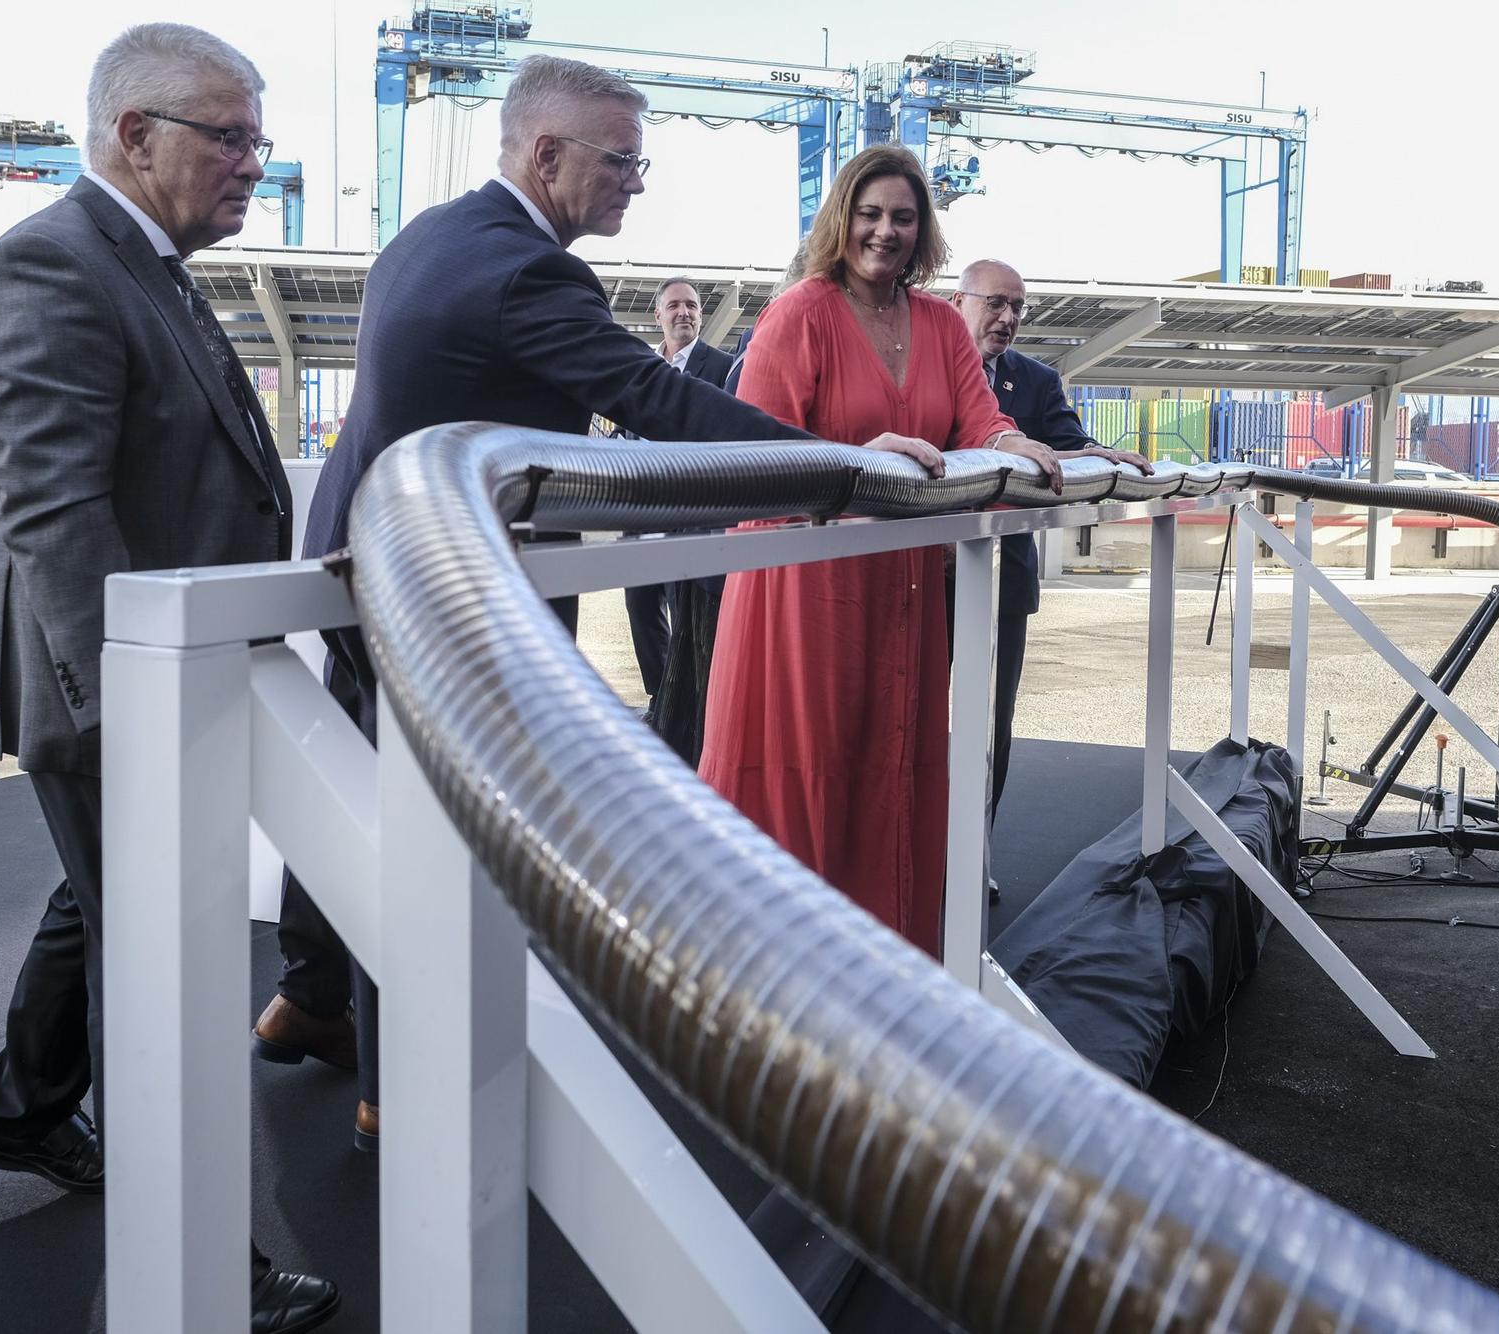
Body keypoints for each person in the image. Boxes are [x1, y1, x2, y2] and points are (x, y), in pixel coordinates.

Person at [272, 56, 934, 1148]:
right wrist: (841, 462)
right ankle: (405, 1091)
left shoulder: (429, 234)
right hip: (435, 587)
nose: (636, 181)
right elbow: (655, 399)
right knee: (432, 839)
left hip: (358, 550)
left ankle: (311, 995)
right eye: (621, 160)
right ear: (545, 154)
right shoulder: (531, 273)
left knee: (357, 792)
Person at [0, 23, 338, 1332]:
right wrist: (143, 728)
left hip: (162, 676)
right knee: (152, 966)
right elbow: (59, 521)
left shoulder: (150, 266)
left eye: (256, 138)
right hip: (115, 693)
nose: (254, 162)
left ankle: (17, 1110)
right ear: (135, 136)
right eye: (229, 137)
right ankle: (199, 1270)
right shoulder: (50, 264)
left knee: (95, 905)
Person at [698, 145, 1064, 957]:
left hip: (902, 594)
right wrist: (863, 456)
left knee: (892, 773)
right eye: (869, 214)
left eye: (902, 217)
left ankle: (885, 988)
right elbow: (759, 460)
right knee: (811, 773)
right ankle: (786, 983)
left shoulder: (939, 323)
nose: (885, 232)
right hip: (805, 592)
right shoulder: (800, 313)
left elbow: (976, 420)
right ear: (842, 219)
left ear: (922, 228)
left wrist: (1018, 443)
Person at [947, 258, 1149, 818]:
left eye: (1018, 306)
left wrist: (1100, 457)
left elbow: (1072, 445)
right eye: (995, 303)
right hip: (925, 581)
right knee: (915, 720)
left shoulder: (1035, 381)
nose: (1008, 317)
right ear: (958, 302)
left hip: (1003, 583)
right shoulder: (925, 371)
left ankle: (974, 855)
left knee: (992, 722)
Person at [619, 275, 732, 724]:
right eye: (675, 306)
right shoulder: (641, 367)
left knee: (685, 613)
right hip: (643, 513)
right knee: (641, 608)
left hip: (692, 516)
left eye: (692, 306)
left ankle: (687, 711)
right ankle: (661, 701)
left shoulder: (720, 367)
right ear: (658, 314)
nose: (684, 312)